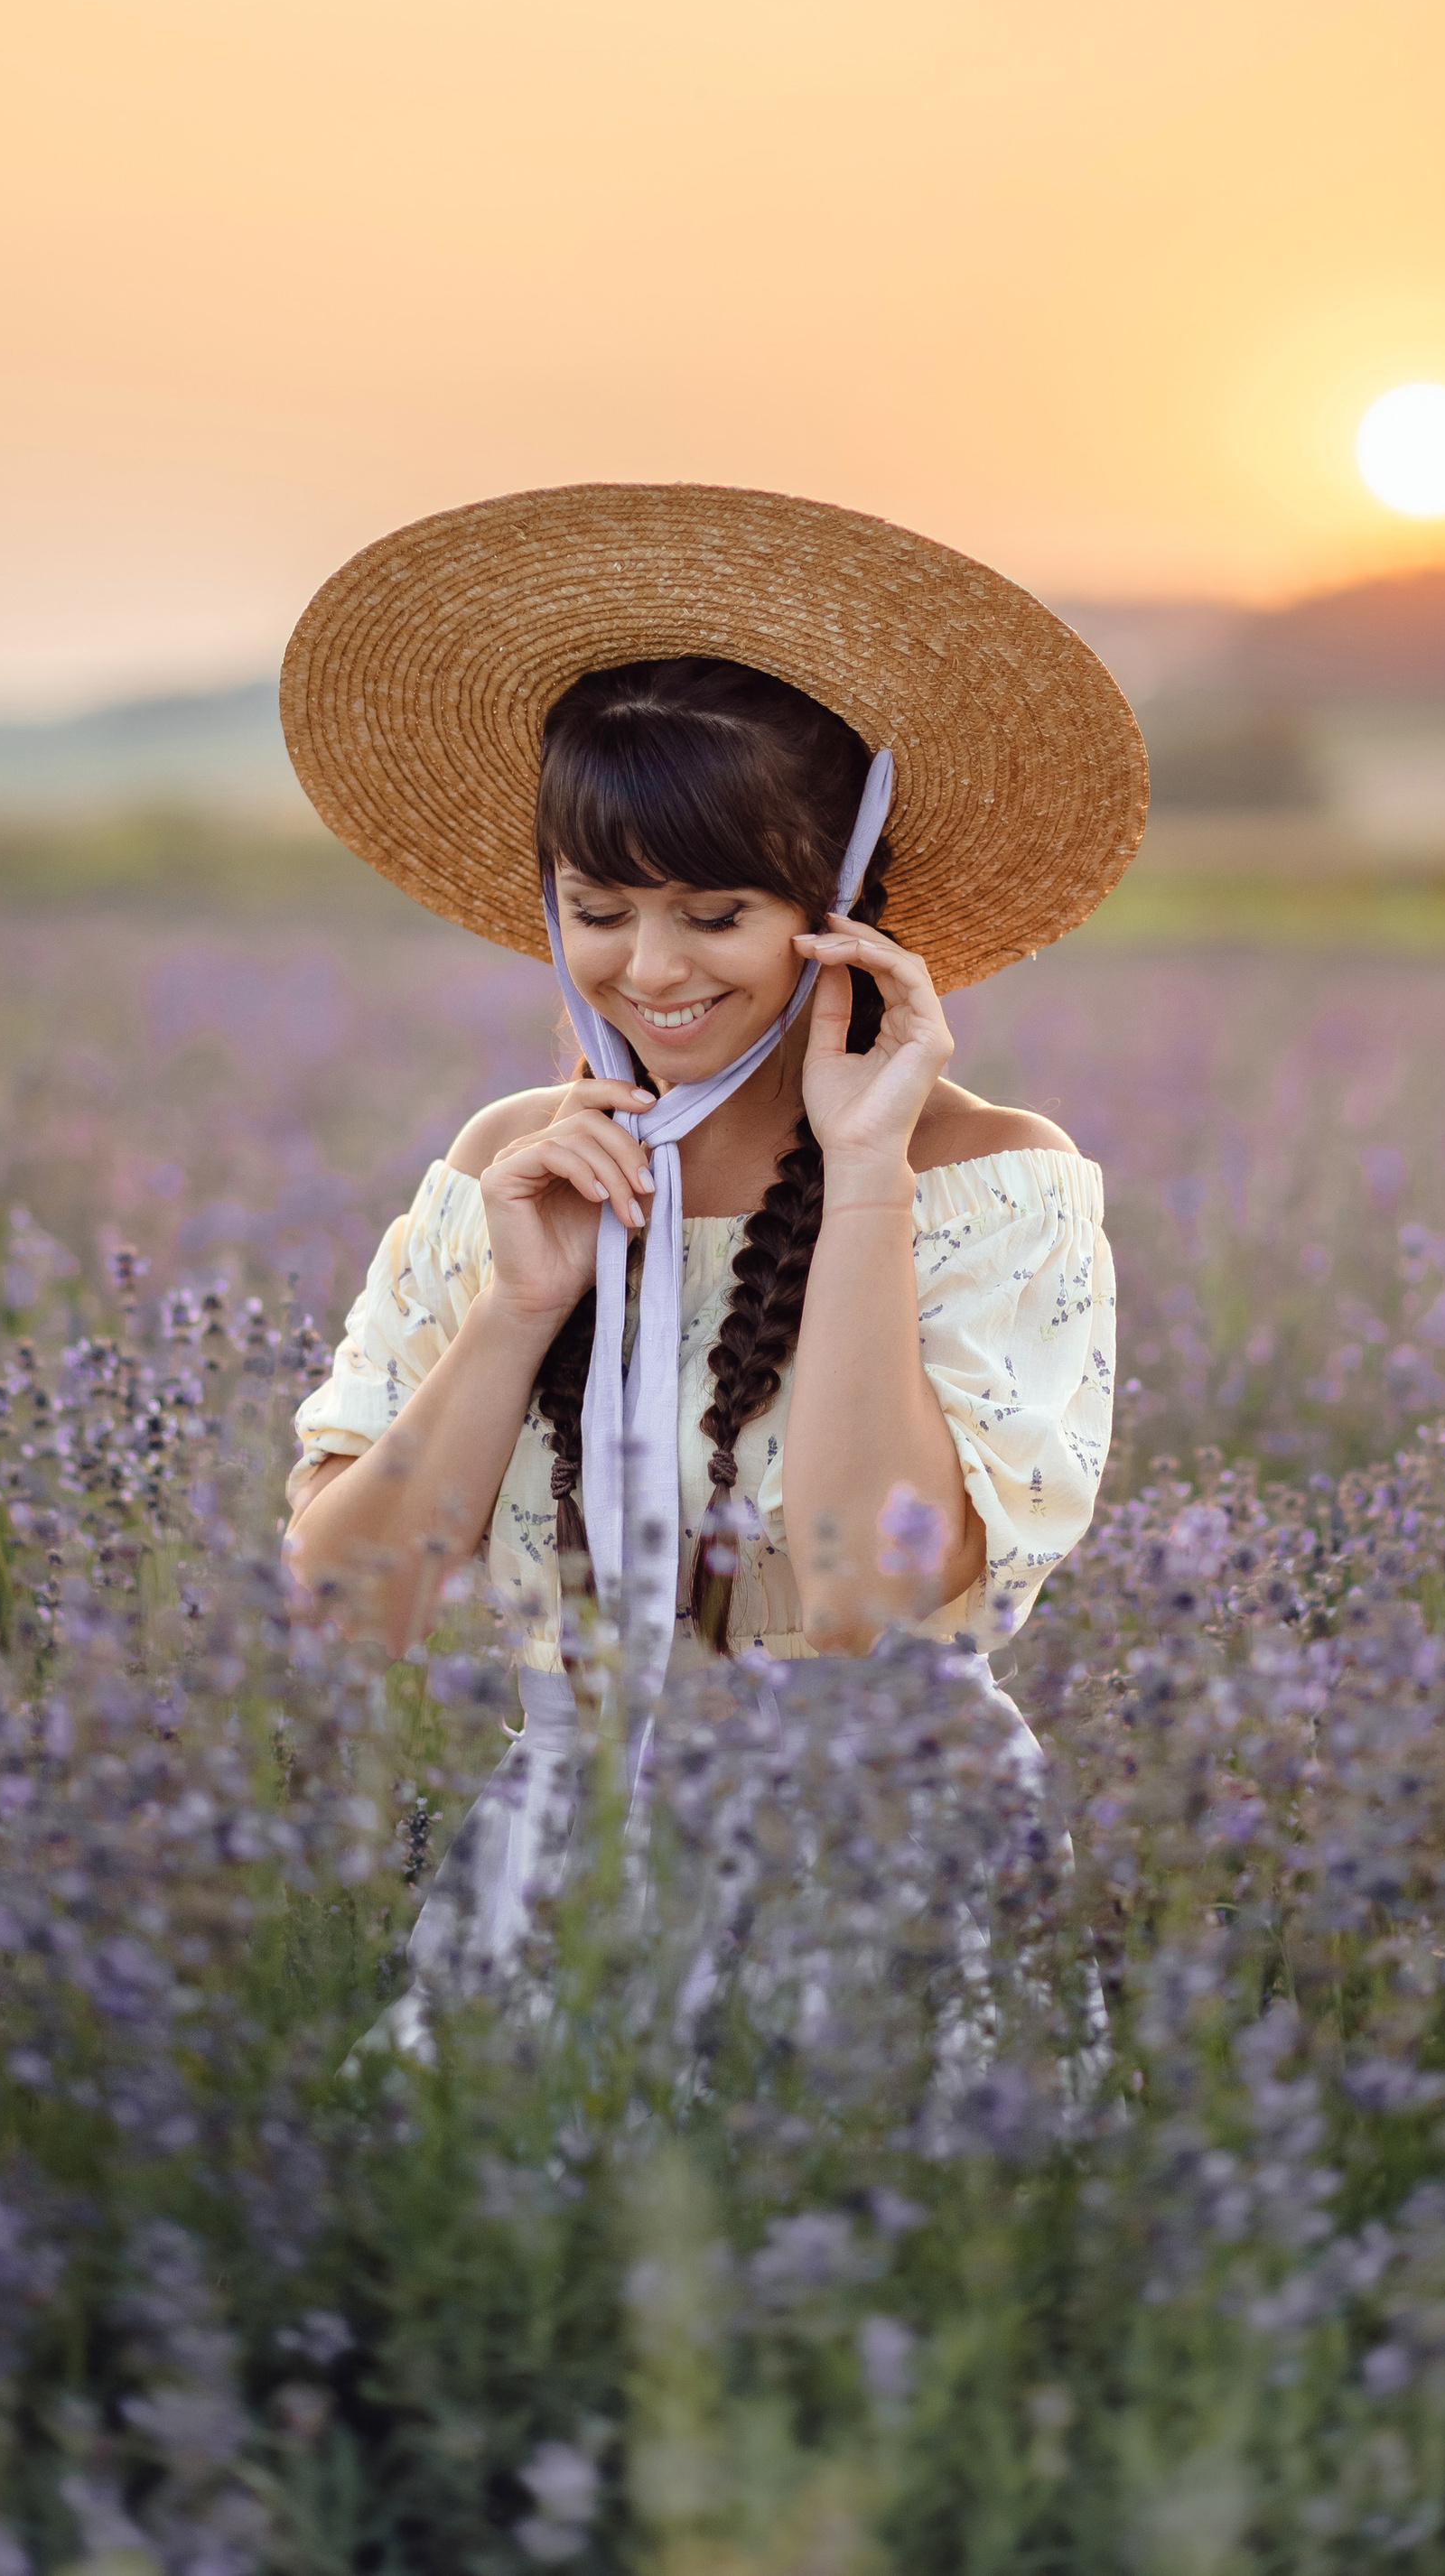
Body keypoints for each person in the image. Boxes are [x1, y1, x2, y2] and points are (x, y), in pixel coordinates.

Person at [275, 481, 1147, 2005]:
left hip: (883, 1875)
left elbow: (866, 1598)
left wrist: (866, 1167)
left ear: (839, 917)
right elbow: (350, 1613)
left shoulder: (999, 1186)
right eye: (600, 909)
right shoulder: (506, 1167)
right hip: (561, 1888)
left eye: (718, 913)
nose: (651, 971)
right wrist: (515, 1312)